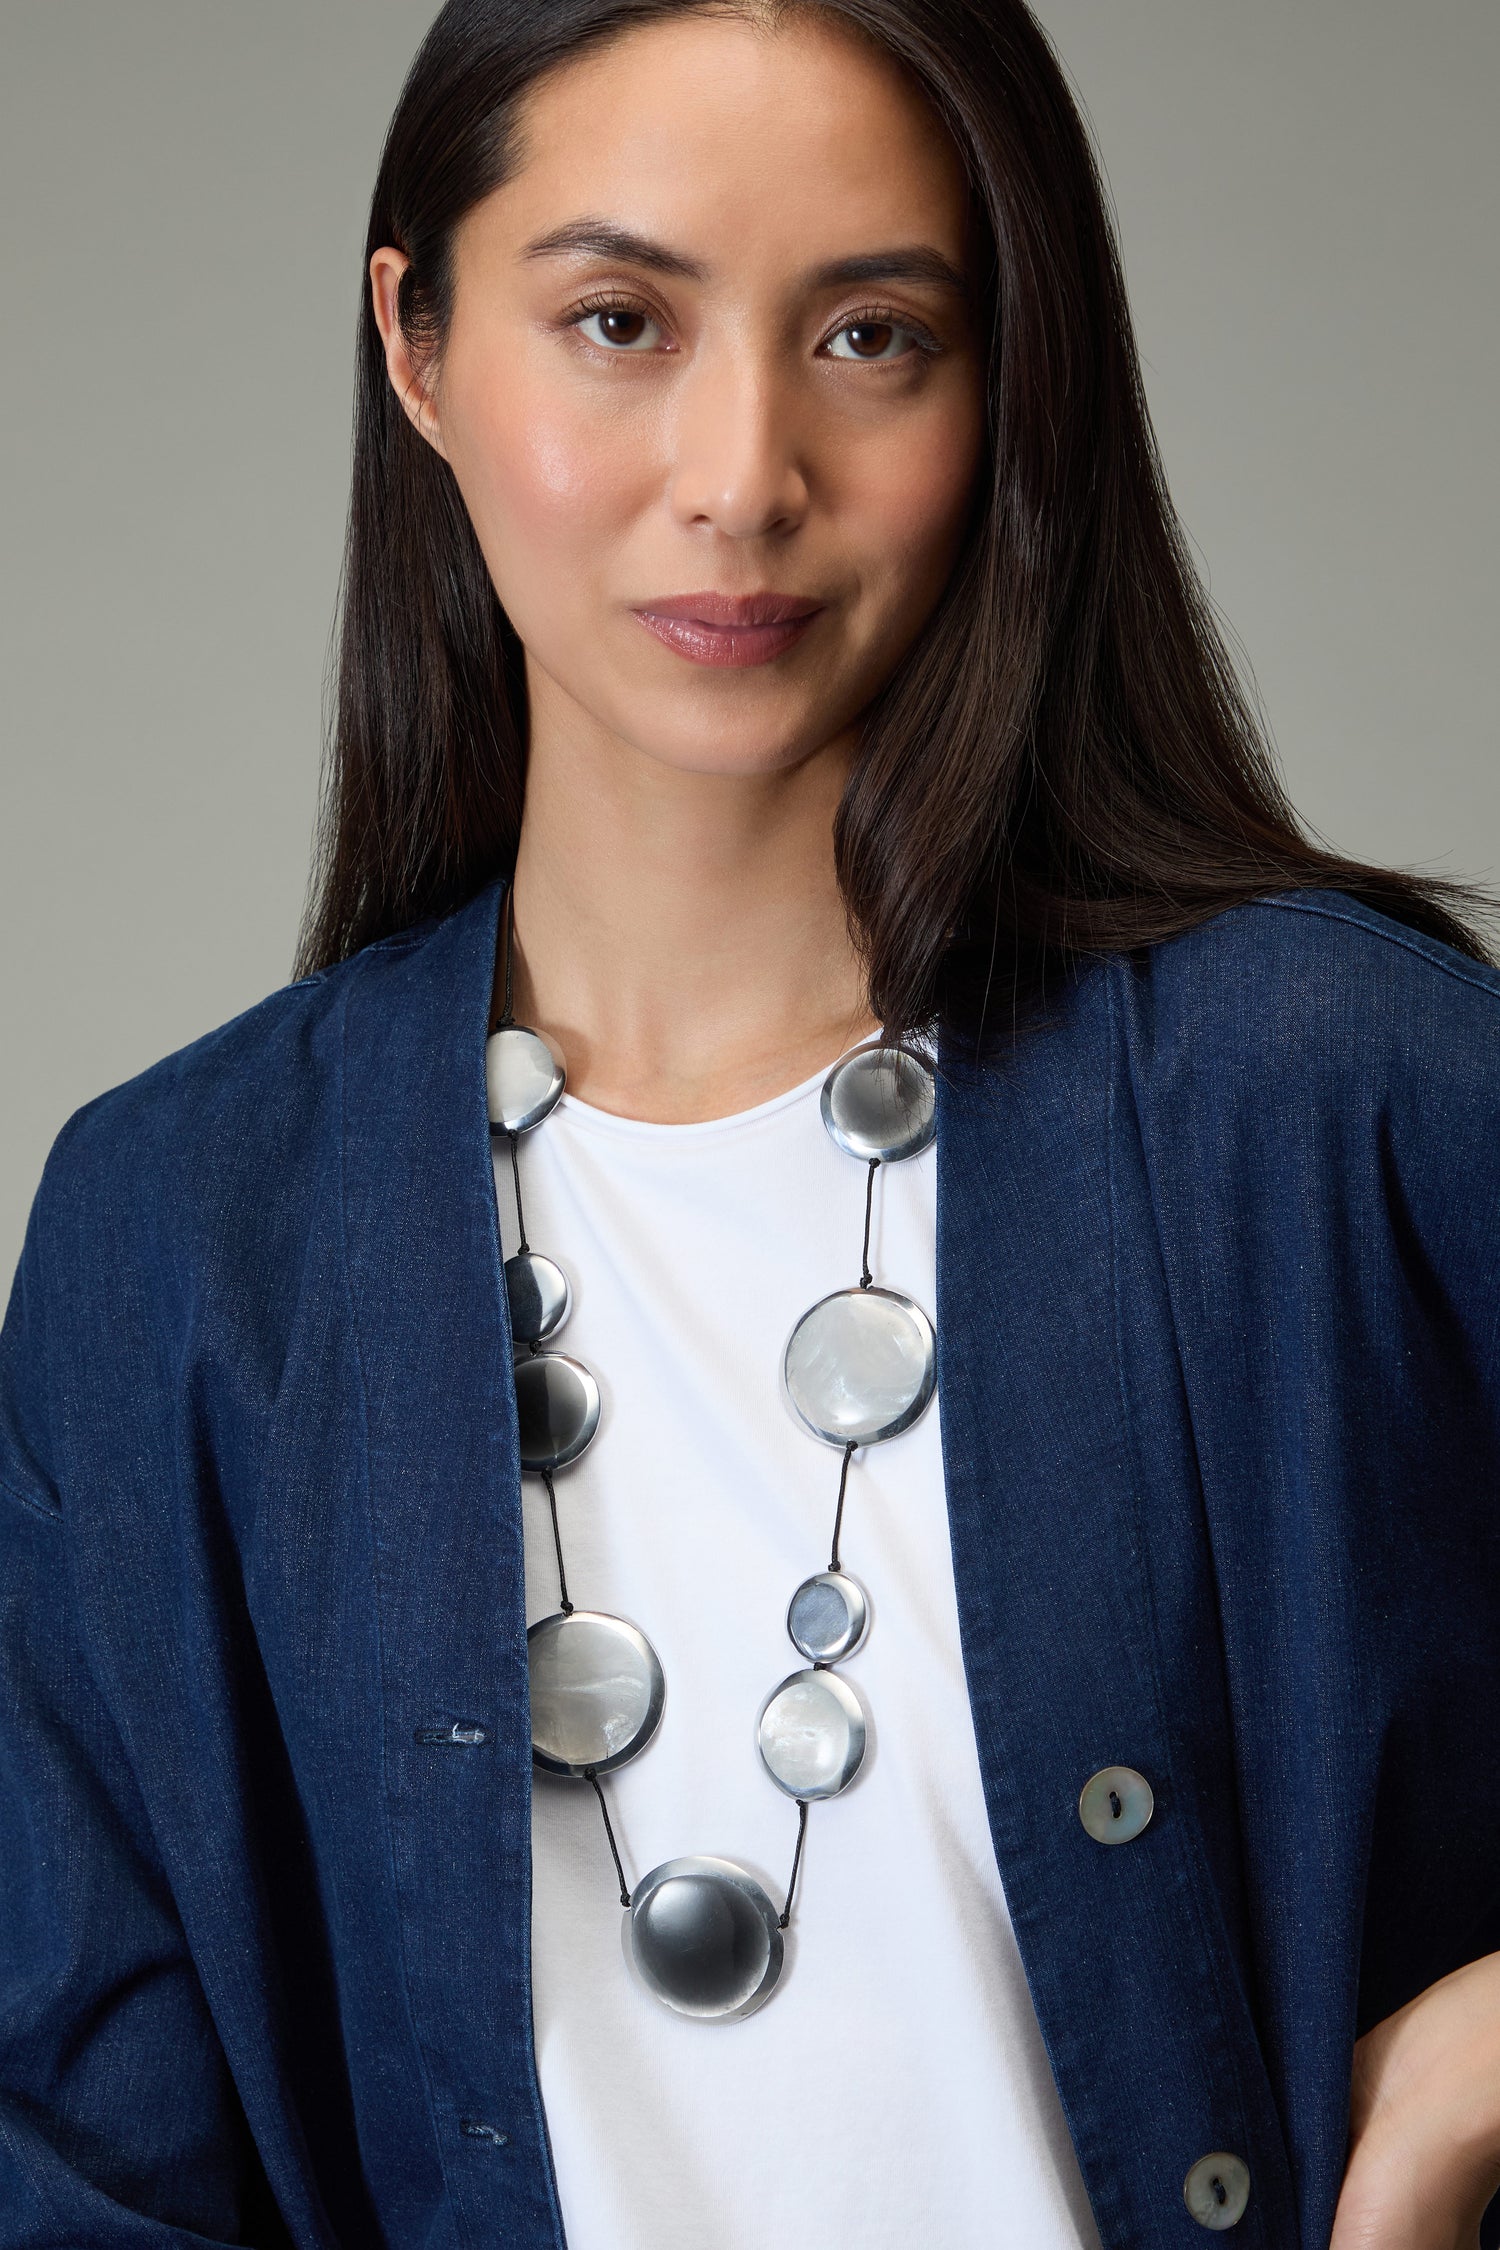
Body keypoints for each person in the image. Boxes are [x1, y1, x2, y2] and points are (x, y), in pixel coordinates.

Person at [2, 1, 1499, 2244]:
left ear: (1007, 389)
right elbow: (77, 2166)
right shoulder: (181, 1239)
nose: (741, 474)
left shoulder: (1336, 1095)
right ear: (418, 346)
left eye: (872, 337)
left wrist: (1468, 2091)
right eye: (619, 321)